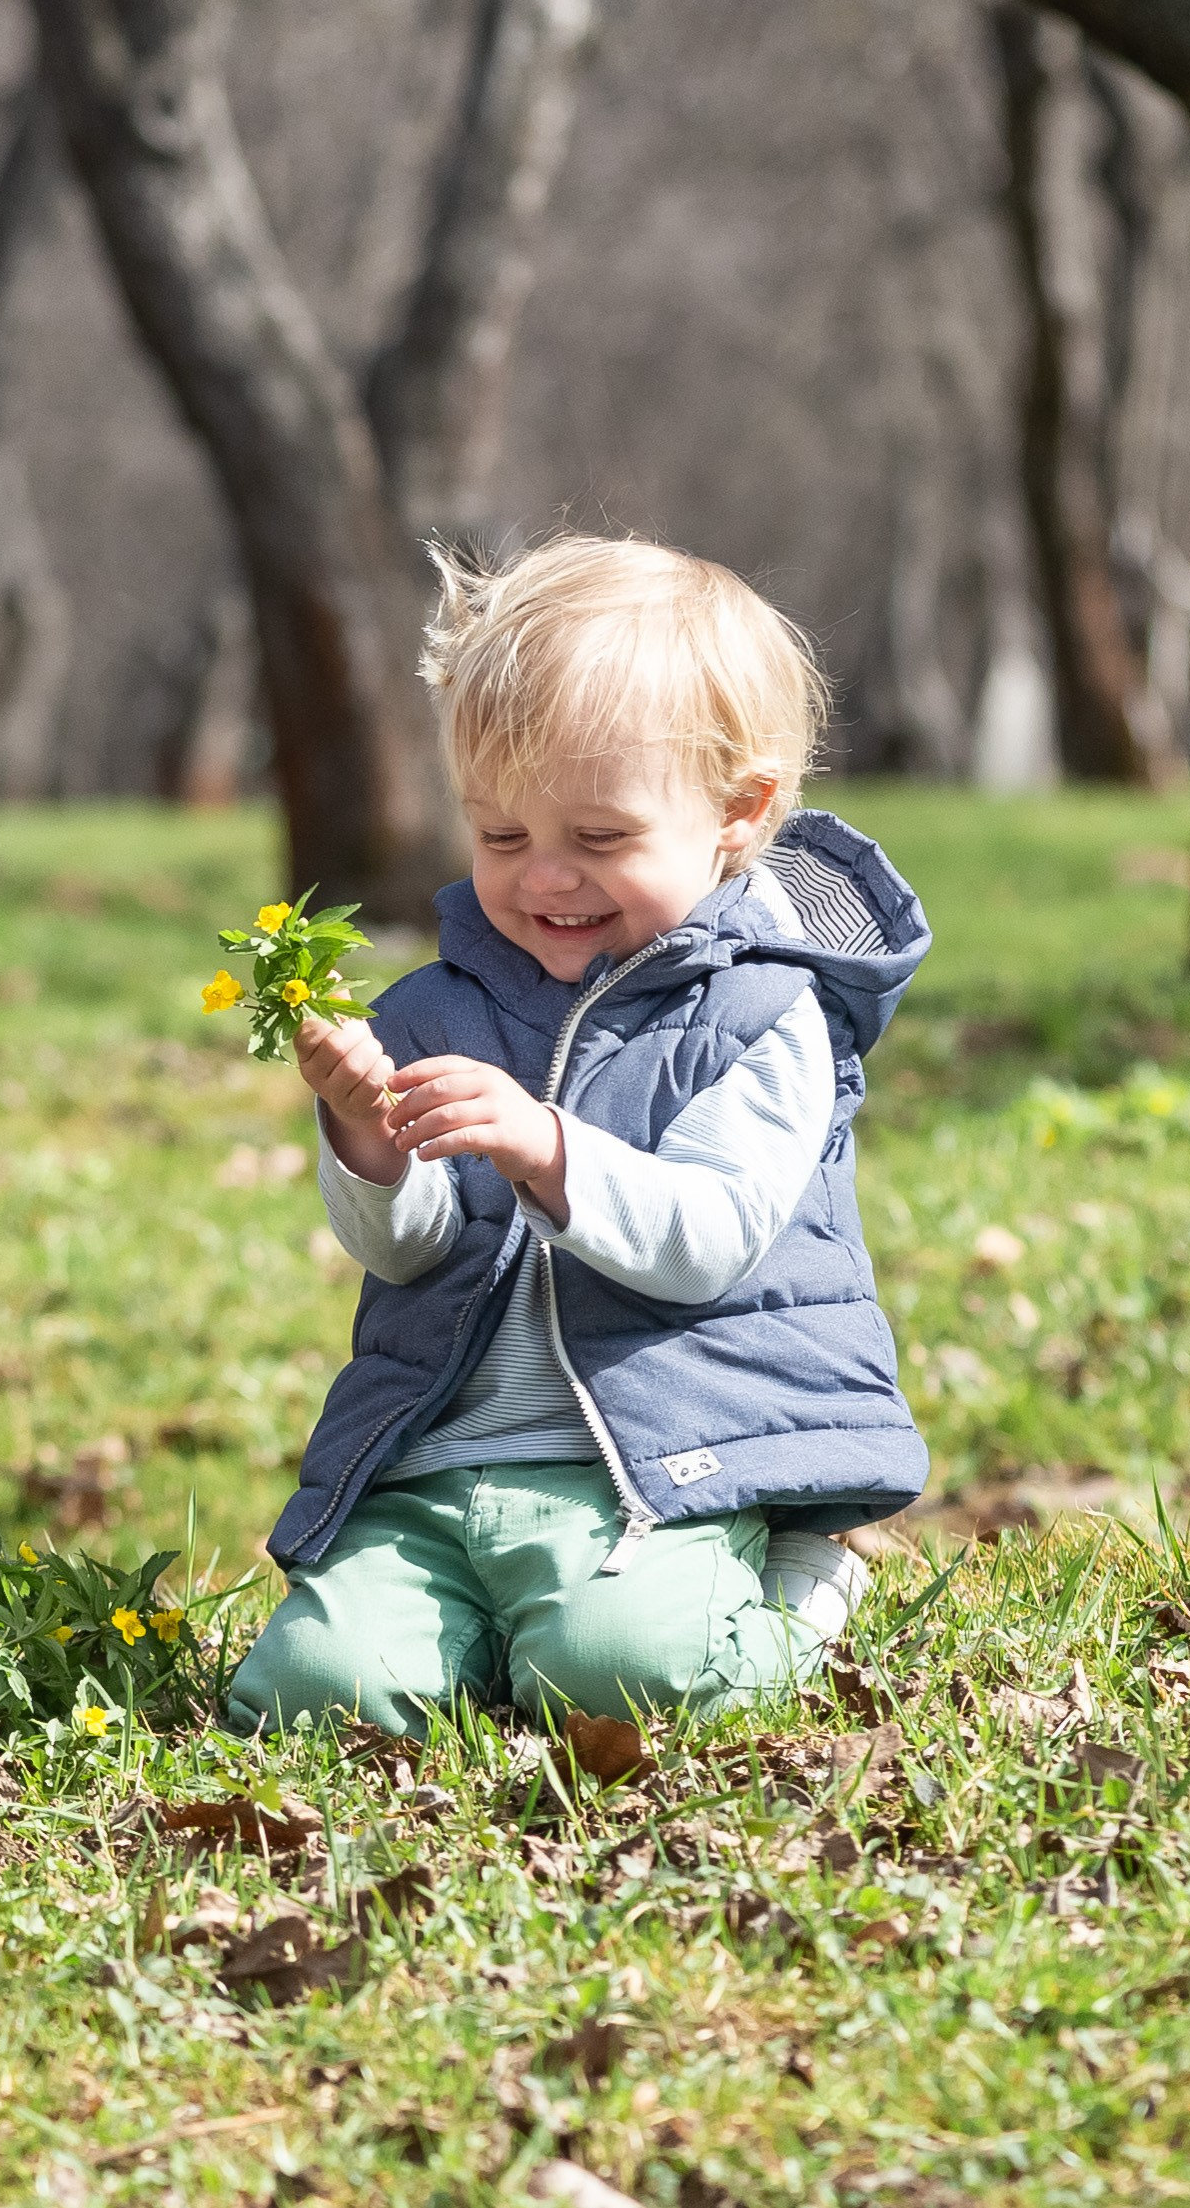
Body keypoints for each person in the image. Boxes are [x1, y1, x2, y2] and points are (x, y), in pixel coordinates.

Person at [227, 535, 930, 1739]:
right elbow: (406, 1254)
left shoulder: (765, 1015)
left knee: (629, 1677)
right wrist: (366, 1142)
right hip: (438, 1464)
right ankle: (480, 1631)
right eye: (499, 837)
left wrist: (546, 1149)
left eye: (598, 840)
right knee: (307, 1701)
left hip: (658, 1466)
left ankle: (806, 1594)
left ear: (737, 813)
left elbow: (706, 1239)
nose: (544, 878)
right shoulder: (434, 1008)